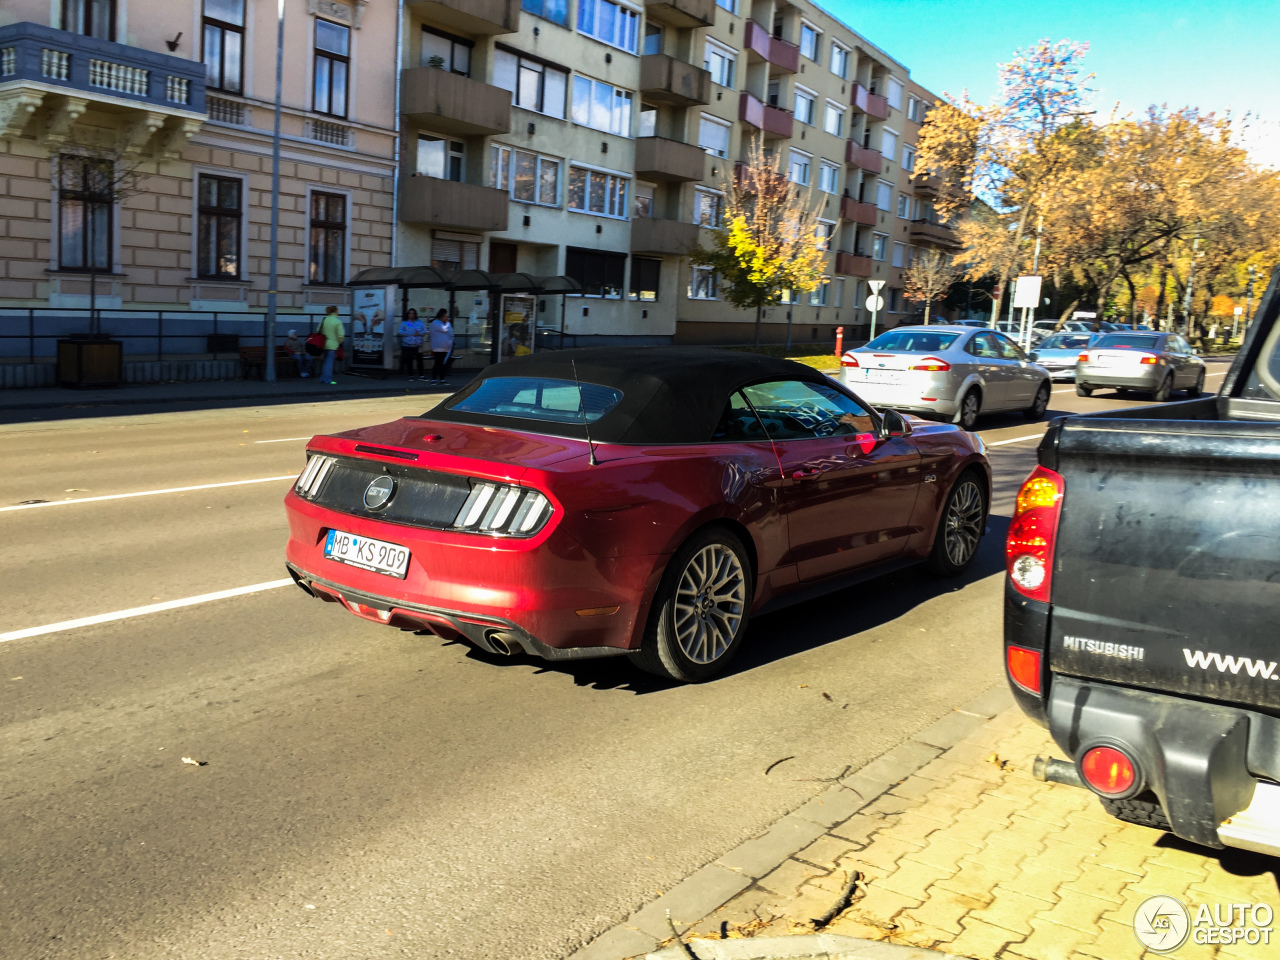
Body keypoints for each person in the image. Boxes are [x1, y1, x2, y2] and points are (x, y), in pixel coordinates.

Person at [319, 305, 344, 385]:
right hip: (333, 344)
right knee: (329, 363)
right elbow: (341, 335)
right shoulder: (337, 321)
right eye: (338, 310)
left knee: (325, 362)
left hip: (324, 343)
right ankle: (328, 380)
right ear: (335, 311)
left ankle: (323, 378)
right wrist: (339, 342)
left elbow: (318, 330)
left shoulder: (324, 320)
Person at [428, 308, 455, 385]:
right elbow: (445, 329)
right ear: (441, 316)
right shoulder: (436, 323)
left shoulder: (444, 323)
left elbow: (451, 332)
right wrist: (448, 323)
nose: (446, 318)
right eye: (445, 316)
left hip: (445, 347)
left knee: (443, 363)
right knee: (438, 363)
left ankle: (442, 379)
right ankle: (434, 379)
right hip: (437, 347)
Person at [398, 308, 426, 380]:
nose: (411, 315)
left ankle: (421, 375)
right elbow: (400, 332)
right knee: (409, 361)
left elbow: (425, 331)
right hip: (408, 345)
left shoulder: (419, 322)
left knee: (420, 360)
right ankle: (411, 375)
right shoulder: (404, 323)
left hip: (418, 345)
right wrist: (411, 334)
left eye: (413, 313)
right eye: (410, 313)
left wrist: (419, 333)